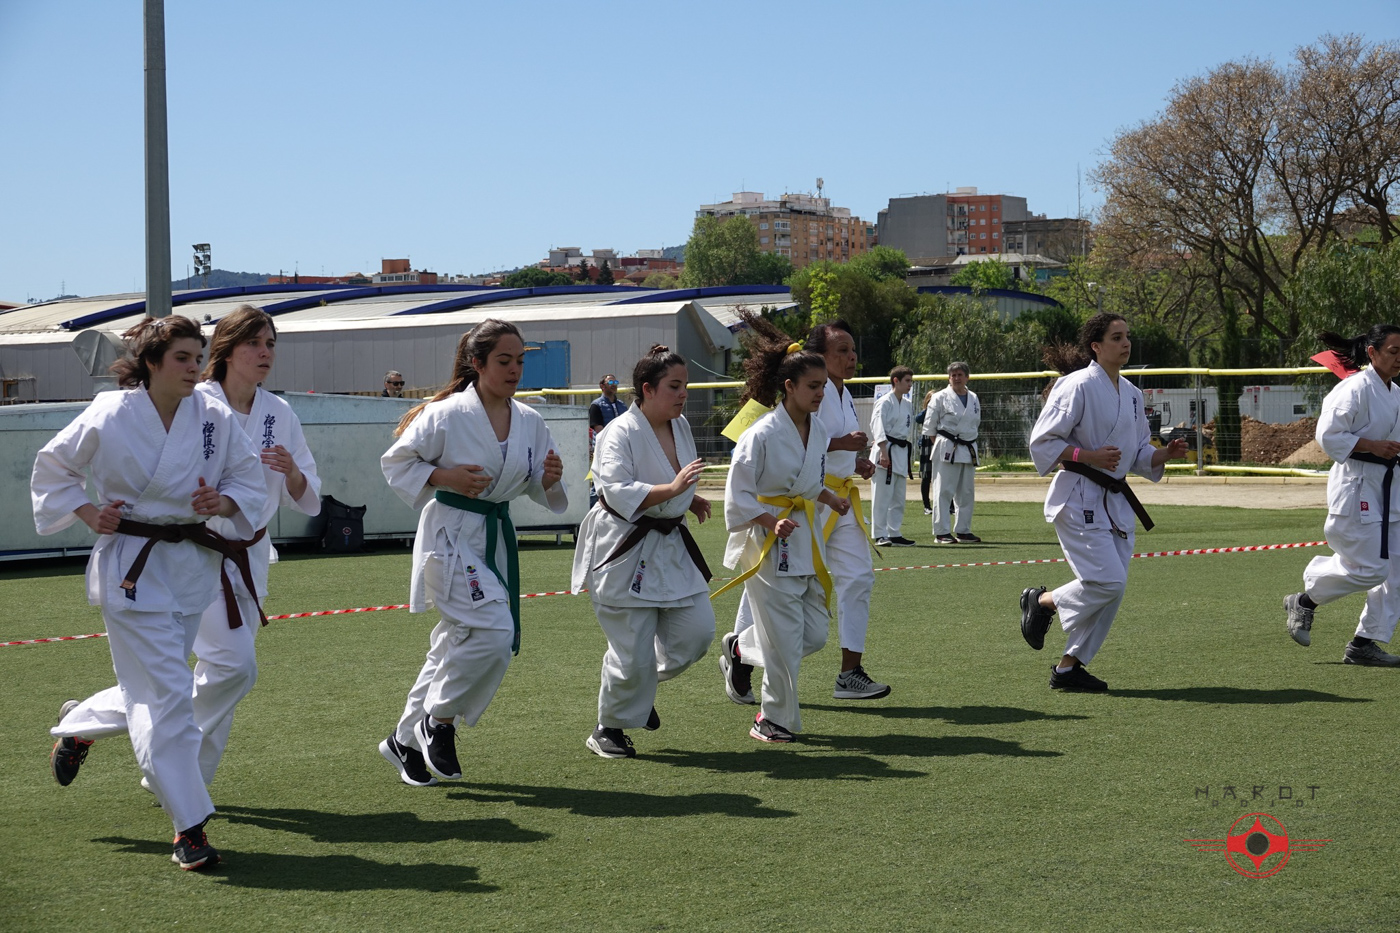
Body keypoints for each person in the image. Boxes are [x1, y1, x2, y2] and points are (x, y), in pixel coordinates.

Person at [49, 304, 322, 802]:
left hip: (246, 553)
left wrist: (291, 473)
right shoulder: (193, 399)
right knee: (224, 670)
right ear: (227, 350)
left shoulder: (279, 414)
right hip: (190, 553)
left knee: (220, 676)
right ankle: (176, 779)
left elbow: (306, 492)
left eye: (270, 344)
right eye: (254, 343)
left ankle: (135, 751)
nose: (265, 353)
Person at [32, 315, 266, 870]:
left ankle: (80, 725)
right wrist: (88, 512)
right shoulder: (112, 412)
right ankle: (189, 825)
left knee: (157, 689)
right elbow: (53, 467)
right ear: (152, 363)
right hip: (132, 569)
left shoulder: (212, 415)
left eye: (197, 358)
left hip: (191, 568)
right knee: (168, 696)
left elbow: (247, 478)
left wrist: (222, 503)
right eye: (182, 358)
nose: (194, 368)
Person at [379, 319, 567, 785]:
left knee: (456, 641)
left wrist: (547, 479)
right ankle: (438, 720)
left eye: (519, 361)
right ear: (478, 363)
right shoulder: (447, 414)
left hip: (493, 536)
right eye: (504, 361)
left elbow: (534, 483)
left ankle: (403, 741)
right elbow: (397, 461)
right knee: (495, 632)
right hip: (450, 536)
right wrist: (444, 477)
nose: (514, 370)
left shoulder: (530, 421)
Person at [720, 319, 891, 706]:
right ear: (818, 357)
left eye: (852, 350)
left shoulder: (840, 392)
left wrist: (854, 462)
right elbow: (802, 443)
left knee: (858, 578)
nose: (852, 357)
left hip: (836, 498)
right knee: (767, 585)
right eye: (842, 351)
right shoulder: (807, 394)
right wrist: (842, 444)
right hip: (800, 503)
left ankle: (849, 673)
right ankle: (742, 655)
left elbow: (825, 447)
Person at [1018, 313, 1188, 692]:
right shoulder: (1076, 385)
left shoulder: (1132, 394)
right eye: (1116, 337)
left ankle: (1069, 668)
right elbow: (1043, 442)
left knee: (1113, 587)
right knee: (1108, 582)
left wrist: (1165, 454)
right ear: (1096, 346)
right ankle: (1042, 602)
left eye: (1127, 336)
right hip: (1078, 495)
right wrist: (1089, 456)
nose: (1126, 343)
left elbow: (1138, 454)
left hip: (1115, 501)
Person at [572, 345, 715, 758]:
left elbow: (675, 478)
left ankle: (638, 688)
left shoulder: (680, 425)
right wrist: (672, 490)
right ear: (648, 389)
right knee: (632, 649)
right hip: (624, 545)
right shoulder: (618, 432)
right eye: (674, 386)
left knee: (696, 634)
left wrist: (687, 498)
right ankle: (608, 728)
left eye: (685, 385)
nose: (683, 394)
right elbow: (616, 490)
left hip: (669, 544)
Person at [715, 313, 850, 741]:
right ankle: (770, 719)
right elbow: (737, 492)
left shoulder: (818, 429)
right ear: (789, 386)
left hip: (804, 534)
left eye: (823, 387)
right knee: (786, 638)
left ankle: (741, 647)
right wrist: (769, 521)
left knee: (813, 633)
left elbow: (808, 481)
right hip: (767, 540)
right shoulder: (760, 434)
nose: (820, 394)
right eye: (813, 386)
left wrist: (829, 498)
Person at [1284, 326, 1400, 666]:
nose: (1399, 359)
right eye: (1393, 351)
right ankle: (1305, 600)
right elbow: (1328, 435)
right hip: (1357, 484)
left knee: (1396, 572)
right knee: (1373, 570)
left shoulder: (1395, 393)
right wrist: (1372, 446)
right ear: (1372, 353)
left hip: (1390, 488)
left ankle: (1364, 643)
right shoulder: (1354, 388)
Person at [925, 361, 983, 544]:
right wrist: (943, 445)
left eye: (960, 375)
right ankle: (941, 532)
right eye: (953, 375)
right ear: (949, 378)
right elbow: (930, 427)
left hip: (968, 447)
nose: (957, 378)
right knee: (943, 490)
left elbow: (975, 423)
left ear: (967, 377)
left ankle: (963, 530)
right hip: (947, 447)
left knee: (966, 492)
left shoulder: (973, 397)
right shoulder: (940, 397)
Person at [870, 366, 916, 546]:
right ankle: (879, 534)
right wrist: (883, 451)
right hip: (886, 450)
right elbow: (877, 426)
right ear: (896, 381)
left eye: (911, 381)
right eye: (907, 381)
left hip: (900, 452)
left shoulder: (907, 404)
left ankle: (894, 532)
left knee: (898, 497)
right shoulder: (884, 402)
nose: (910, 385)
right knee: (882, 496)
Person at [587, 374, 627, 506]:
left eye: (616, 381)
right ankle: (591, 508)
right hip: (603, 450)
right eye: (610, 382)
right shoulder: (596, 405)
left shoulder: (622, 406)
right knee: (599, 483)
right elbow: (599, 430)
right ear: (602, 386)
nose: (614, 384)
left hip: (622, 449)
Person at [917, 389, 936, 515]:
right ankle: (927, 506)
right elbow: (917, 419)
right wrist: (928, 409)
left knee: (944, 476)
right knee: (926, 476)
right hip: (927, 445)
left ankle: (950, 506)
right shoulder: (925, 413)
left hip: (939, 442)